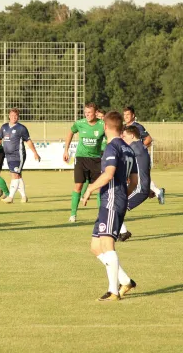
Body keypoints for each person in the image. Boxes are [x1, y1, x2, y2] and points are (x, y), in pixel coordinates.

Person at [82, 111, 138, 301]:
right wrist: (124, 194)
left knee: (107, 245)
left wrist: (90, 188)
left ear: (105, 127)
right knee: (95, 246)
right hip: (113, 200)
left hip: (112, 200)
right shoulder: (129, 149)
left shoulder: (112, 147)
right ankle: (125, 280)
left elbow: (109, 174)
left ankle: (113, 291)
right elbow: (134, 181)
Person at [63, 102, 106, 223]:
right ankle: (73, 214)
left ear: (96, 113)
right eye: (85, 113)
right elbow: (71, 132)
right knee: (78, 185)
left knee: (99, 187)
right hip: (81, 158)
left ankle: (101, 215)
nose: (87, 115)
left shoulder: (102, 125)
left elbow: (110, 137)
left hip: (96, 160)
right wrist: (66, 150)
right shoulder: (80, 123)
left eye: (89, 113)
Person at [0, 108, 40, 204]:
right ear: (9, 116)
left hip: (18, 155)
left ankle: (10, 197)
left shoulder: (21, 128)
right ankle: (24, 197)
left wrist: (35, 153)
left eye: (15, 116)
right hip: (8, 155)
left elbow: (28, 141)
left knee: (15, 175)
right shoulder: (4, 127)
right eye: (12, 115)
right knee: (18, 175)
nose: (13, 117)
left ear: (18, 117)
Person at [123, 106, 165, 204]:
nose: (126, 116)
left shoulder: (137, 127)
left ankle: (155, 192)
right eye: (124, 114)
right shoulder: (125, 127)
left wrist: (139, 148)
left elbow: (148, 139)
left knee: (139, 179)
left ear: (133, 115)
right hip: (131, 158)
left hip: (139, 157)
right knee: (133, 179)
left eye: (128, 114)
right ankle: (153, 191)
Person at [118, 125, 153, 242]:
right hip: (142, 187)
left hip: (139, 188)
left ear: (132, 135)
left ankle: (122, 232)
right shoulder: (141, 147)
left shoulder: (133, 148)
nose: (123, 138)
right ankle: (121, 232)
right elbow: (143, 170)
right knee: (117, 206)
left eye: (124, 136)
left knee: (116, 207)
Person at [80, 108, 107, 200]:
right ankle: (83, 195)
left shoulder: (106, 128)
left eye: (103, 117)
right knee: (88, 177)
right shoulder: (94, 128)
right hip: (96, 155)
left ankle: (102, 197)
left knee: (102, 177)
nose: (101, 118)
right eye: (99, 116)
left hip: (105, 154)